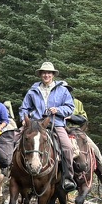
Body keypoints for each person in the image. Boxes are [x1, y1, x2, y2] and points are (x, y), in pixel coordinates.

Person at [19, 61, 77, 192]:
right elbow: (24, 107)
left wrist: (59, 110)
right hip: (36, 123)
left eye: (49, 73)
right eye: (44, 73)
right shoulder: (33, 90)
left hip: (55, 122)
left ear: (53, 75)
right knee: (15, 139)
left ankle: (68, 177)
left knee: (67, 146)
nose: (46, 75)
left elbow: (70, 107)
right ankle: (11, 172)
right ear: (40, 74)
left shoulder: (62, 90)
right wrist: (24, 118)